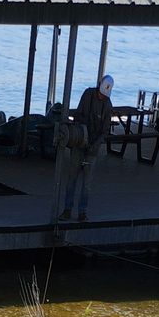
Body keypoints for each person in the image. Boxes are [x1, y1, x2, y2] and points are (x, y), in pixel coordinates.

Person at [56, 75, 113, 222]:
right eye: (100, 94)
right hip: (80, 143)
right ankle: (67, 210)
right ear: (99, 86)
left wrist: (95, 145)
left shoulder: (108, 105)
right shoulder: (87, 94)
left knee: (86, 183)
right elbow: (78, 115)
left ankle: (82, 212)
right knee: (72, 178)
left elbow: (105, 131)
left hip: (92, 149)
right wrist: (80, 134)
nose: (101, 97)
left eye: (104, 95)